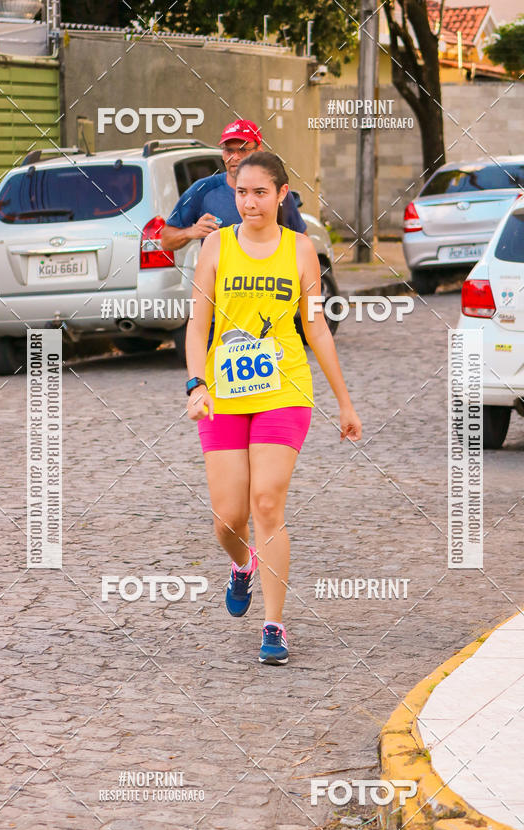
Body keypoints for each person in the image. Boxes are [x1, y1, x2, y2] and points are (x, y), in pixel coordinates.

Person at [184, 152, 361, 666]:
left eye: (261, 192)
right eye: (242, 192)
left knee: (266, 503)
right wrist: (196, 384)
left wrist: (344, 402)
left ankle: (275, 624)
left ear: (282, 194)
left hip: (284, 389)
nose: (249, 202)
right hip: (224, 395)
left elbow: (316, 326)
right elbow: (197, 325)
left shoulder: (301, 249)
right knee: (228, 517)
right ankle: (243, 566)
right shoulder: (216, 246)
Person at [160, 119, 306, 254]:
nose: (234, 157)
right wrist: (191, 232)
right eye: (229, 150)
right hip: (220, 280)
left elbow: (302, 242)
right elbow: (165, 240)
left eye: (242, 150)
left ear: (259, 151)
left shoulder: (275, 192)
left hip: (268, 279)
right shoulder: (203, 189)